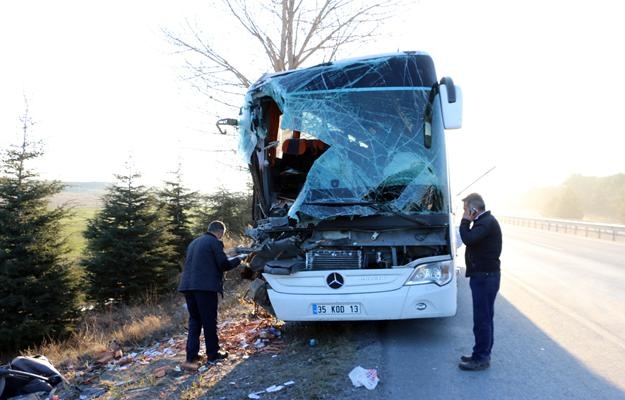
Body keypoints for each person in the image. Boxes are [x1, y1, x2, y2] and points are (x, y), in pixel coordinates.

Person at [178, 220, 244, 371]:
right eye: (223, 234)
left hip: (188, 287)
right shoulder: (215, 242)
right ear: (220, 232)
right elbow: (223, 264)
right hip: (205, 288)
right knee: (209, 321)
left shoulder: (194, 243)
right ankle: (213, 355)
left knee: (195, 321)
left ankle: (191, 357)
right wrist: (240, 259)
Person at [458, 193, 502, 371]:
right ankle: (481, 353)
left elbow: (467, 238)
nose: (464, 212)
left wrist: (464, 221)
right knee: (485, 318)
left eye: (465, 209)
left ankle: (481, 358)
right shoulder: (484, 222)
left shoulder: (486, 222)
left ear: (473, 209)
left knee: (482, 319)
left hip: (485, 277)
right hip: (484, 276)